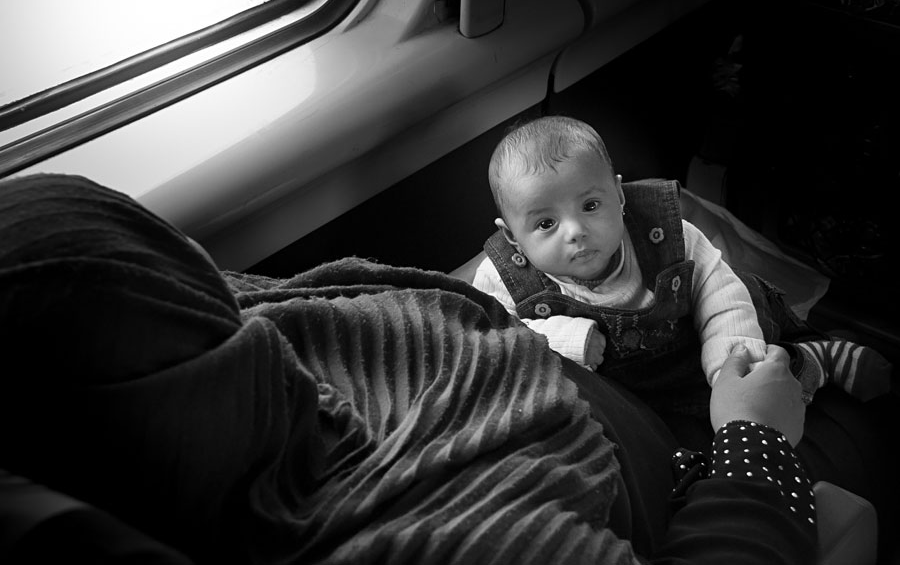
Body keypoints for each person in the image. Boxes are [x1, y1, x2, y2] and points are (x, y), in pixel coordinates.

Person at [0, 173, 896, 564]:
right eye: (189, 287)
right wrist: (753, 433)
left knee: (680, 218)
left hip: (584, 375)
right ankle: (828, 341)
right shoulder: (444, 543)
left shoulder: (258, 326)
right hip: (681, 455)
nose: (226, 292)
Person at [473, 116, 892, 417]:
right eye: (546, 223)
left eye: (590, 205)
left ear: (618, 195)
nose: (576, 231)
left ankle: (814, 360)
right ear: (513, 236)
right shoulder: (503, 278)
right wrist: (562, 339)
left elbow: (718, 288)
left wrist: (732, 363)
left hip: (697, 350)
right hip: (625, 398)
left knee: (762, 373)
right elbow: (492, 337)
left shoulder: (665, 233)